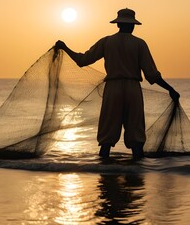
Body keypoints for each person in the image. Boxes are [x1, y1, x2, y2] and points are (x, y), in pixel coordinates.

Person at [55, 8, 180, 160]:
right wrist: (170, 89)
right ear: (133, 25)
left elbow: (83, 60)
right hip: (133, 89)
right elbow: (151, 75)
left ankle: (105, 175)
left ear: (118, 24)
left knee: (107, 137)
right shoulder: (139, 44)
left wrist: (64, 47)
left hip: (112, 90)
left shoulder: (106, 42)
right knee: (136, 136)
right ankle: (137, 175)